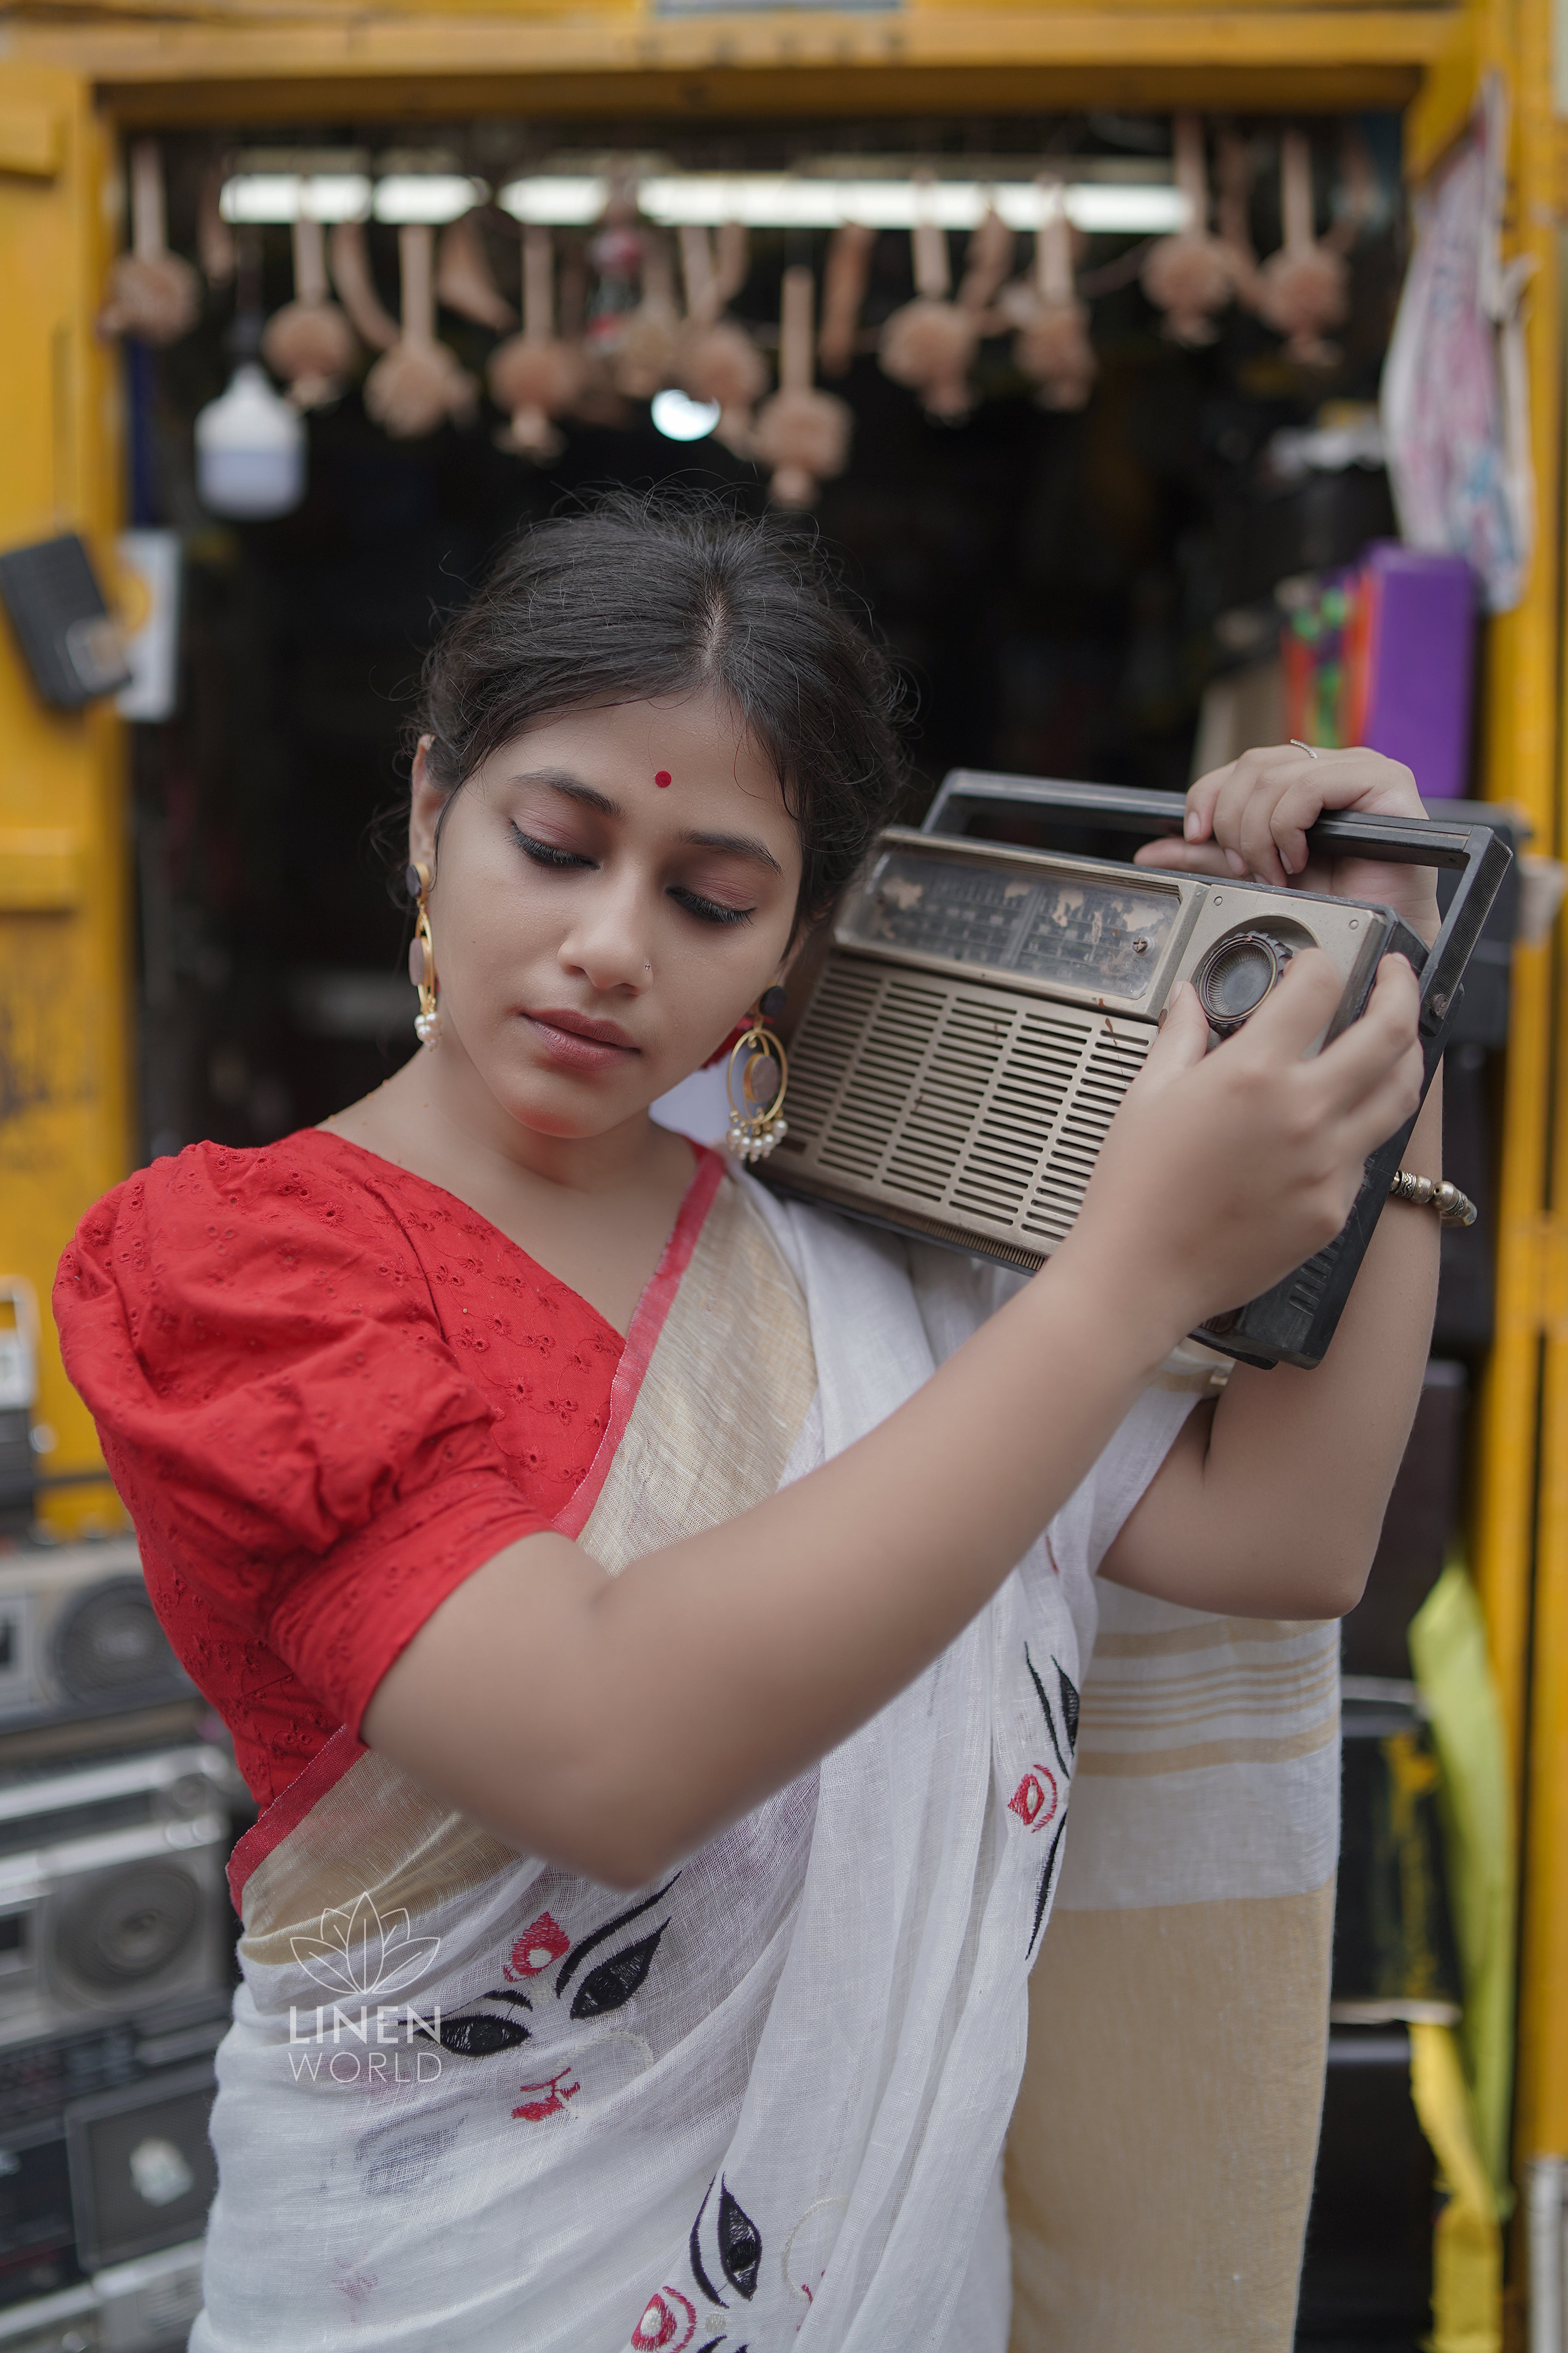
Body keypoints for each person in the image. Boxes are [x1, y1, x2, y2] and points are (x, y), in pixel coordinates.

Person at [55, 495, 1441, 2353]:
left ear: (795, 935)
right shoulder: (236, 1267)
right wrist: (1120, 1275)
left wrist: (1383, 1011)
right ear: (421, 816)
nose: (610, 945)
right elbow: (601, 1750)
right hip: (445, 2289)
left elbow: (1281, 1537)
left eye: (710, 894)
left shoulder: (847, 1255)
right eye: (553, 846)